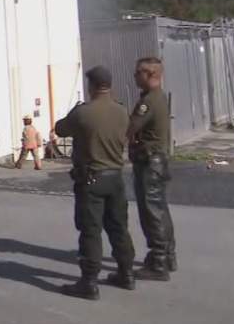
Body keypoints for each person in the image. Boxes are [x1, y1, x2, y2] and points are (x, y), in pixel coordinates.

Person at [54, 66, 135, 300]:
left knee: (90, 230)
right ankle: (126, 273)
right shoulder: (121, 111)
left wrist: (75, 110)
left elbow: (60, 129)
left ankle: (89, 281)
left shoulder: (83, 113)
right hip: (116, 177)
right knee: (119, 227)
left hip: (91, 179)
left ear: (91, 86)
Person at [130, 57, 177, 280]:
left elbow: (130, 127)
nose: (135, 76)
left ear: (150, 75)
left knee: (152, 212)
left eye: (138, 72)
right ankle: (167, 254)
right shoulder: (159, 97)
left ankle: (159, 262)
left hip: (149, 162)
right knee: (160, 209)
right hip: (157, 160)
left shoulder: (148, 101)